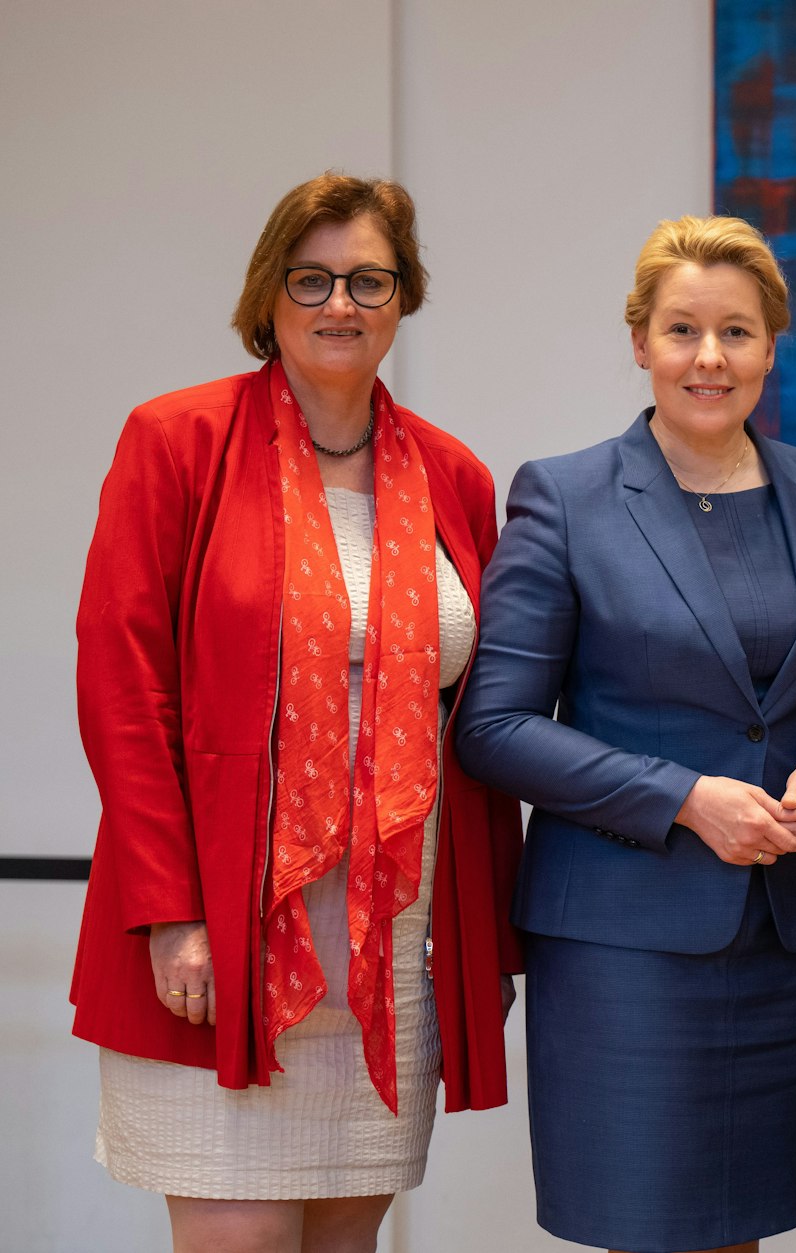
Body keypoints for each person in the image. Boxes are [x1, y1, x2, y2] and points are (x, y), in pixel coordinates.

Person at [69, 173, 523, 1252]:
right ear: (268, 294)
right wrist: (173, 911)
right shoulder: (178, 440)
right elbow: (122, 683)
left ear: (402, 296)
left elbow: (482, 713)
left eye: (369, 278)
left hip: (390, 951)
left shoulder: (452, 475)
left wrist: (482, 942)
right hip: (221, 939)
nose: (340, 304)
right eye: (311, 277)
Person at [454, 214, 796, 1253]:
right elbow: (494, 724)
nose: (709, 357)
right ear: (640, 341)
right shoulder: (564, 496)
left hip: (778, 939)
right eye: (683, 329)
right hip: (621, 943)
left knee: (739, 1230)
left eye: (736, 332)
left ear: (771, 345)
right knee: (645, 1227)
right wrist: (684, 797)